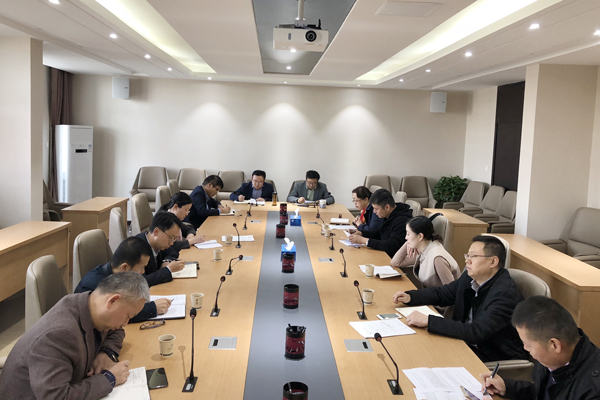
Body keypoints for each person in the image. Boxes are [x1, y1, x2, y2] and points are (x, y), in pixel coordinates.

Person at [0, 272, 149, 400]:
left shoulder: (90, 305)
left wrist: (106, 352)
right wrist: (109, 378)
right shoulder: (59, 334)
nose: (125, 323)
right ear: (112, 301)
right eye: (128, 316)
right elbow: (57, 397)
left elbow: (116, 330)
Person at [393, 235, 527, 362]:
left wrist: (429, 321)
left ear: (493, 261)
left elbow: (476, 332)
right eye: (467, 255)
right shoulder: (470, 277)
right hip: (463, 342)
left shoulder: (505, 294)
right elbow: (443, 293)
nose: (467, 260)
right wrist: (410, 296)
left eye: (473, 256)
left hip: (491, 355)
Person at [481, 296, 600, 400]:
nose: (525, 348)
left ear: (554, 345)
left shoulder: (593, 391)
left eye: (528, 344)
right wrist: (507, 387)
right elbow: (540, 393)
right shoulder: (552, 359)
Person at [75, 237, 172, 323]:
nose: (143, 272)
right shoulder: (94, 287)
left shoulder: (121, 277)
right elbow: (114, 315)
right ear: (125, 267)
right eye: (142, 267)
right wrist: (152, 308)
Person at [390, 215, 460, 288]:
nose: (406, 237)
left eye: (408, 234)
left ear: (420, 236)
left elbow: (451, 290)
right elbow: (395, 263)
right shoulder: (423, 250)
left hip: (438, 295)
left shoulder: (437, 258)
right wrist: (407, 244)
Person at [348, 188, 412, 258]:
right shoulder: (388, 214)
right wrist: (362, 233)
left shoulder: (401, 220)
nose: (374, 212)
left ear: (387, 207)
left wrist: (364, 240)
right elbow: (379, 232)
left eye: (376, 209)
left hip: (391, 258)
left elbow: (391, 246)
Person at [136, 211, 185, 286]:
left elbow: (172, 251)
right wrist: (168, 269)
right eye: (170, 238)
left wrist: (166, 261)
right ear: (156, 232)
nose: (171, 243)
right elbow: (139, 282)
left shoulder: (158, 243)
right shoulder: (137, 248)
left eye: (174, 239)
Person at [160, 192, 205, 259]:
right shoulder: (165, 220)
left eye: (188, 210)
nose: (187, 213)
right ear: (175, 207)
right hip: (168, 257)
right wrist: (191, 241)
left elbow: (189, 229)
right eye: (186, 210)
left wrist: (190, 235)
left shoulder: (175, 218)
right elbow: (170, 245)